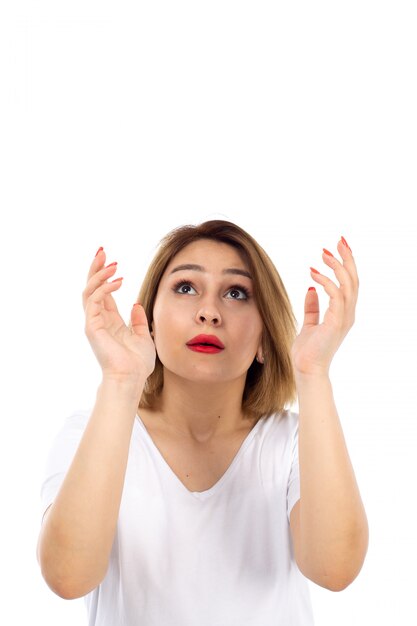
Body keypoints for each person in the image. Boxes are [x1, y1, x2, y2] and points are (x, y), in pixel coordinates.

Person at [37, 220, 369, 625]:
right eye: (186, 287)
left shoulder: (293, 442)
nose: (209, 312)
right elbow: (67, 578)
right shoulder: (90, 433)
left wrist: (313, 373)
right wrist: (121, 381)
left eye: (236, 293)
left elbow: (334, 569)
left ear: (264, 337)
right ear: (151, 322)